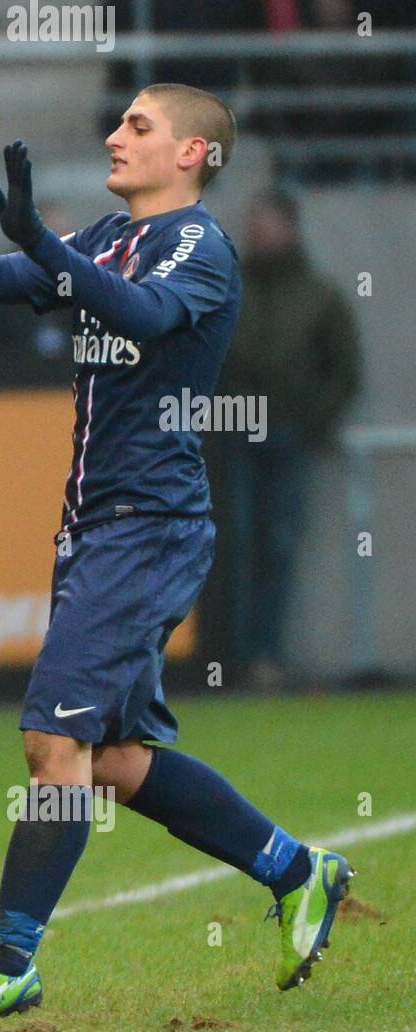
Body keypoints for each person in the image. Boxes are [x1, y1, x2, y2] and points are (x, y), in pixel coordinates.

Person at [0, 83, 355, 1026]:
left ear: (192, 156)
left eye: (138, 125)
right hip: (96, 524)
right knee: (113, 760)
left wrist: (47, 249)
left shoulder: (201, 246)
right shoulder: (102, 236)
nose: (113, 134)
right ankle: (300, 871)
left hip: (149, 524)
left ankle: (8, 960)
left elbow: (143, 315)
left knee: (54, 743)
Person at [218, 189, 360, 688]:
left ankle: (265, 657)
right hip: (234, 435)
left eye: (270, 223)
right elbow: (203, 356)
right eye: (255, 223)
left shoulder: (319, 294)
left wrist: (310, 421)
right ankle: (227, 658)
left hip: (288, 436)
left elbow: (344, 370)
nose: (261, 233)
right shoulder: (228, 289)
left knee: (278, 547)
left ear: (291, 228)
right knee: (229, 544)